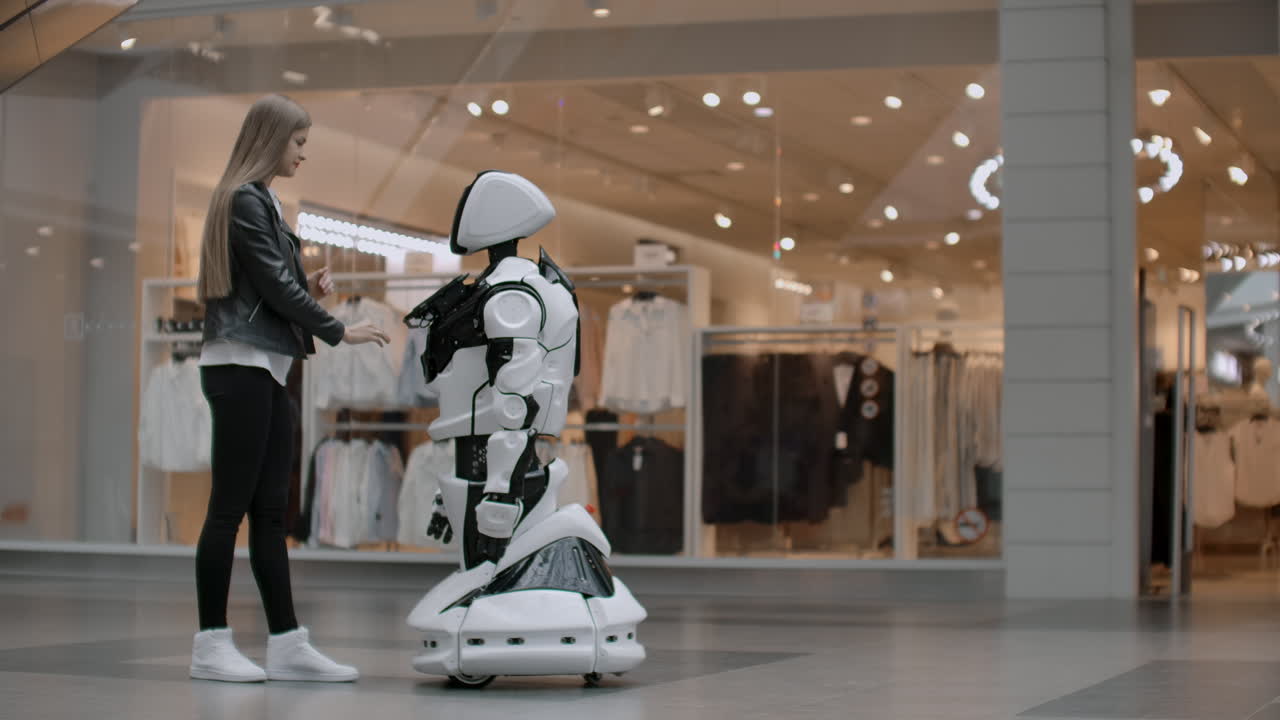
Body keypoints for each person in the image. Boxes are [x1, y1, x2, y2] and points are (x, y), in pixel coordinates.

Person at [190, 94, 389, 683]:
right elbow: (274, 286)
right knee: (230, 510)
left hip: (266, 368)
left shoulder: (264, 202)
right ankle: (210, 643)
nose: (304, 153)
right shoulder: (245, 199)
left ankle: (286, 641)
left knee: (271, 513)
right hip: (239, 367)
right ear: (271, 138)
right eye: (298, 142)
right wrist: (337, 329)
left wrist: (311, 291)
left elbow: (271, 287)